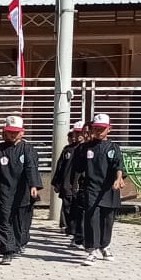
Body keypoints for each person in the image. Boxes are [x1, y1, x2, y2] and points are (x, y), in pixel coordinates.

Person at [0, 116, 41, 265]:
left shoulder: (27, 149)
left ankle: (16, 244)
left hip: (22, 191)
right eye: (10, 132)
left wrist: (33, 185)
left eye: (15, 132)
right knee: (3, 220)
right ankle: (7, 251)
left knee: (18, 222)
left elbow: (31, 168)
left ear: (22, 132)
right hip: (4, 190)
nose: (12, 135)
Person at [72, 113, 125, 266]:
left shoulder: (113, 147)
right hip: (91, 188)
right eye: (96, 128)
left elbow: (118, 165)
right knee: (91, 218)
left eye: (102, 128)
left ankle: (105, 246)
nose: (99, 131)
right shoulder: (85, 148)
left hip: (109, 189)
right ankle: (92, 250)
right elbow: (78, 167)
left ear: (109, 129)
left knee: (107, 220)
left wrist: (118, 178)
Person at [51, 121, 85, 238]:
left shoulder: (87, 149)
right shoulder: (68, 149)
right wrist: (57, 182)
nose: (78, 135)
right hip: (67, 183)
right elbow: (60, 167)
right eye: (76, 133)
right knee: (67, 206)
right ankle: (69, 227)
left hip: (80, 184)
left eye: (81, 133)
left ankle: (76, 230)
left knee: (78, 208)